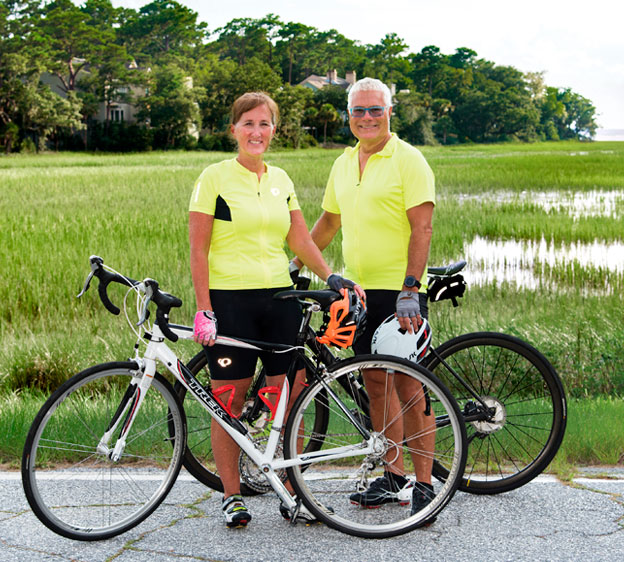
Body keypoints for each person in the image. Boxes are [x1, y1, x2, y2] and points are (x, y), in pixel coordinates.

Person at [188, 92, 362, 528]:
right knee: (229, 402)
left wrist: (330, 276)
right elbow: (198, 249)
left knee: (291, 398)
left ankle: (291, 488)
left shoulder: (281, 179)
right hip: (231, 303)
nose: (256, 132)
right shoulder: (214, 178)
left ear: (274, 130)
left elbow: (300, 240)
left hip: (281, 300)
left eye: (264, 123)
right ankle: (232, 495)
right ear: (234, 130)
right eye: (248, 123)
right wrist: (205, 308)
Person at [293, 77, 436, 515]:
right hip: (359, 291)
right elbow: (329, 222)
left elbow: (422, 228)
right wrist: (296, 263)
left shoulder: (408, 160)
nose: (367, 118)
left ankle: (426, 486)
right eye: (359, 111)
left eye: (375, 110)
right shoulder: (343, 163)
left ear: (390, 112)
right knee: (376, 385)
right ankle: (393, 477)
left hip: (400, 293)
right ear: (348, 115)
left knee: (412, 387)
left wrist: (410, 288)